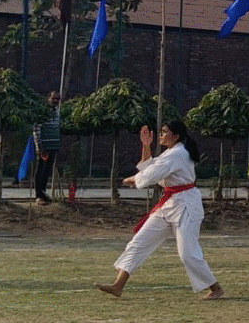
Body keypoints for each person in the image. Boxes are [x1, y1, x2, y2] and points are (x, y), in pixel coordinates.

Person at [94, 122, 224, 300]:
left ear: (176, 136)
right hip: (168, 204)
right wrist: (146, 147)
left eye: (164, 132)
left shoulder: (179, 153)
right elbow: (151, 166)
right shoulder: (171, 153)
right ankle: (118, 285)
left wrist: (134, 180)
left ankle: (215, 288)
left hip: (186, 205)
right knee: (139, 242)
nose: (161, 135)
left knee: (188, 254)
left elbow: (153, 172)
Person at [32, 91, 61, 204]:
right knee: (41, 170)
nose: (56, 101)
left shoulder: (57, 111)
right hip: (44, 147)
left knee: (47, 171)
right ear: (48, 98)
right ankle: (38, 195)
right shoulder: (42, 111)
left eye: (58, 99)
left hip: (53, 146)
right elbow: (36, 129)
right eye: (54, 98)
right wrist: (39, 146)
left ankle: (43, 193)